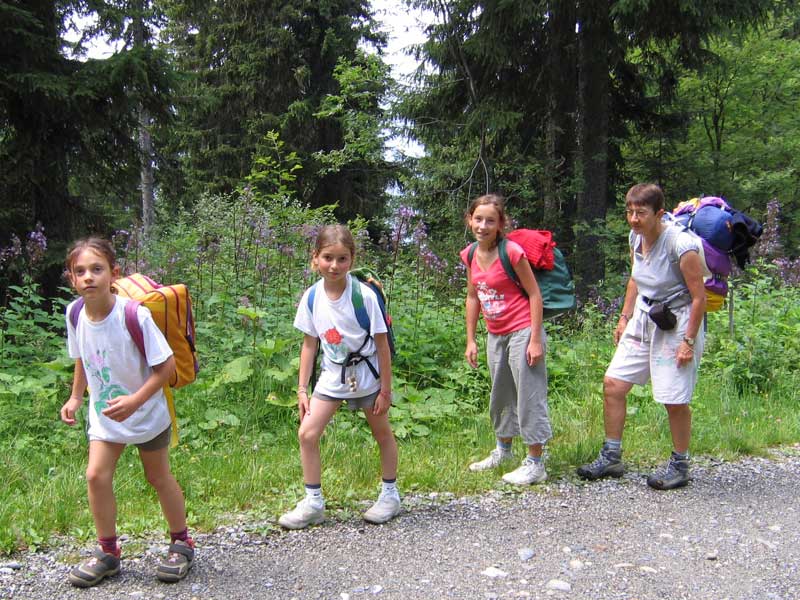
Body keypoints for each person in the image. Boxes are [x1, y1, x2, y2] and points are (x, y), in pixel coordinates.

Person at [60, 238, 194, 587]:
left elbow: (164, 367)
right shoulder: (74, 313)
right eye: (80, 271)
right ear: (72, 279)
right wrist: (76, 397)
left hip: (147, 412)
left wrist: (135, 401)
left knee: (158, 477)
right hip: (105, 415)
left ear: (113, 274)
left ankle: (181, 542)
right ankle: (108, 552)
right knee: (96, 476)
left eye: (96, 269)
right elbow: (82, 358)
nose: (88, 277)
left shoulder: (133, 315)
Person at [576, 183, 706, 490]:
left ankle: (680, 464)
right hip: (645, 317)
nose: (634, 219)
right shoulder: (636, 237)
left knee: (673, 398)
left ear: (659, 213)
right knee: (614, 384)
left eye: (641, 213)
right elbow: (636, 277)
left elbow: (699, 298)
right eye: (630, 212)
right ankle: (611, 456)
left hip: (678, 321)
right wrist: (624, 316)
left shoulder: (681, 245)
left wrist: (688, 341)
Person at [279, 224, 400, 529]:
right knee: (307, 434)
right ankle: (313, 503)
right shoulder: (311, 297)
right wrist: (302, 389)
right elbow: (309, 344)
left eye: (342, 259)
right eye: (328, 258)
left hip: (367, 375)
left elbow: (382, 346)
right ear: (315, 258)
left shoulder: (364, 297)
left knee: (382, 433)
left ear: (352, 259)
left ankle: (390, 496)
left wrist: (386, 390)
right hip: (333, 375)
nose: (334, 266)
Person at [460, 194, 552, 485]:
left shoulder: (512, 252)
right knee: (500, 395)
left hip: (523, 330)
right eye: (478, 219)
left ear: (501, 224)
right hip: (495, 333)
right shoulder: (470, 254)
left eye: (490, 220)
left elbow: (535, 294)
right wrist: (471, 339)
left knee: (529, 395)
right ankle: (504, 451)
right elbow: (473, 296)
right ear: (469, 220)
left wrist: (535, 339)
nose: (483, 226)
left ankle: (536, 462)